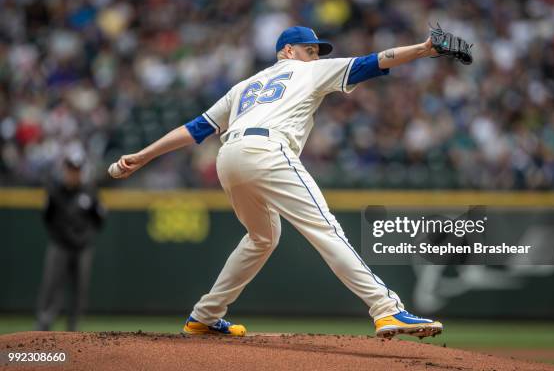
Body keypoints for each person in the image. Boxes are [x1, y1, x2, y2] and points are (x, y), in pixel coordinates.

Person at [111, 26, 444, 339]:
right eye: (310, 50)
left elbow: (195, 129)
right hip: (266, 151)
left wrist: (143, 155)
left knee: (262, 237)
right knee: (326, 229)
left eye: (317, 52)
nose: (316, 56)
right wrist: (424, 48)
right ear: (288, 50)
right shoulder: (309, 70)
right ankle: (387, 309)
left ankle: (205, 316)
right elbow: (375, 61)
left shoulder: (243, 88)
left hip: (229, 157)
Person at [36, 150, 105, 331]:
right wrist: (60, 235)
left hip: (82, 247)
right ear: (65, 169)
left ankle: (73, 328)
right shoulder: (55, 190)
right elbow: (47, 217)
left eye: (77, 169)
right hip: (60, 245)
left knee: (79, 288)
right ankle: (44, 323)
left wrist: (86, 237)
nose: (74, 173)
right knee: (52, 284)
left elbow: (99, 219)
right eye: (71, 169)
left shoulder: (89, 191)